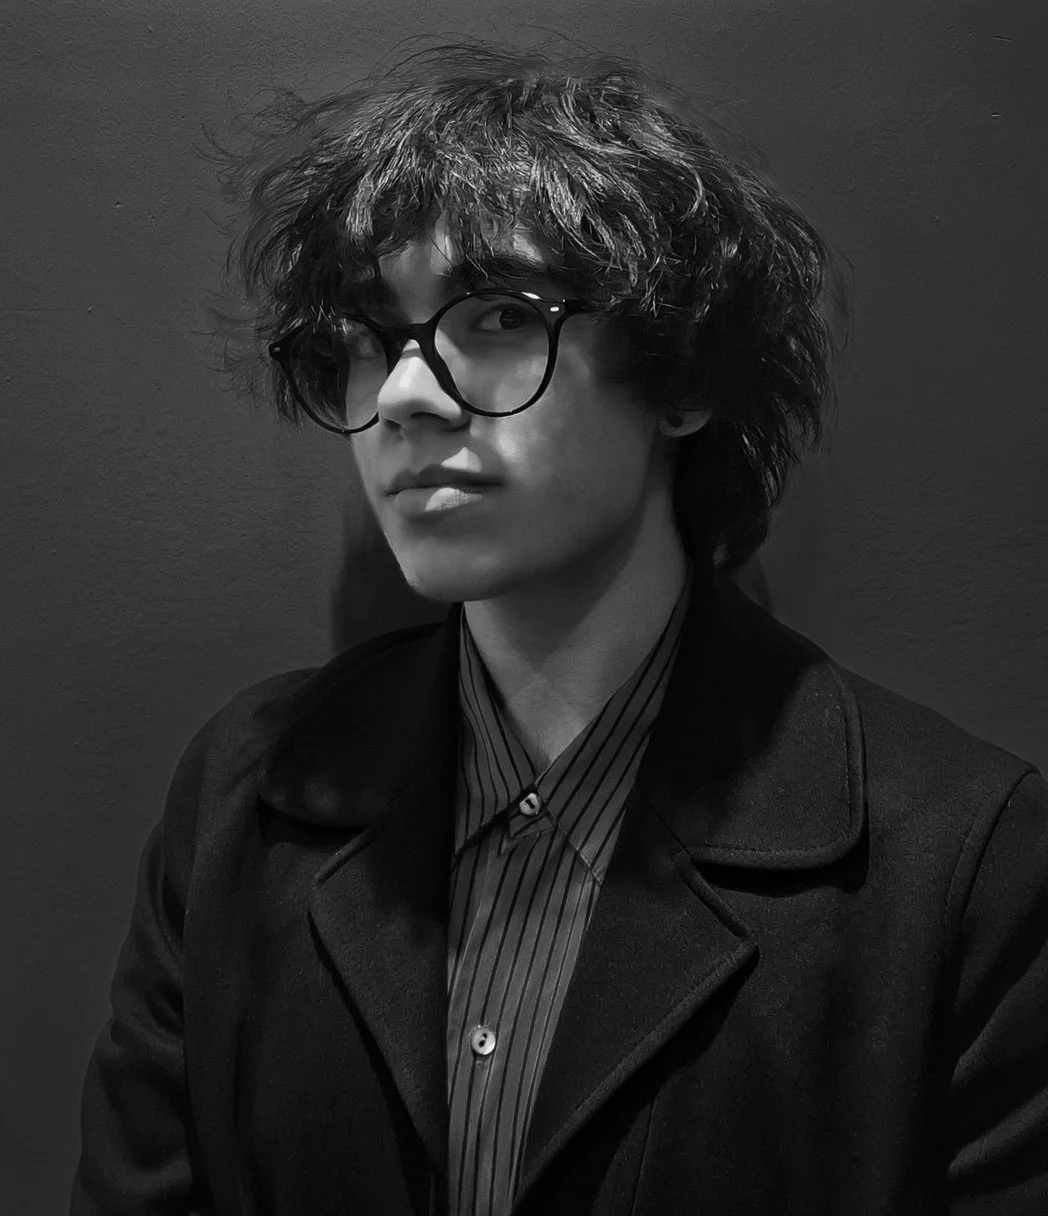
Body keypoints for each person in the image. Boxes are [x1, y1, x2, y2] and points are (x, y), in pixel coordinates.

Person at [71, 36, 1048, 1216]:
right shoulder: (243, 796)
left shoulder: (964, 862)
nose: (405, 393)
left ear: (682, 373)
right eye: (371, 338)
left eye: (492, 317)